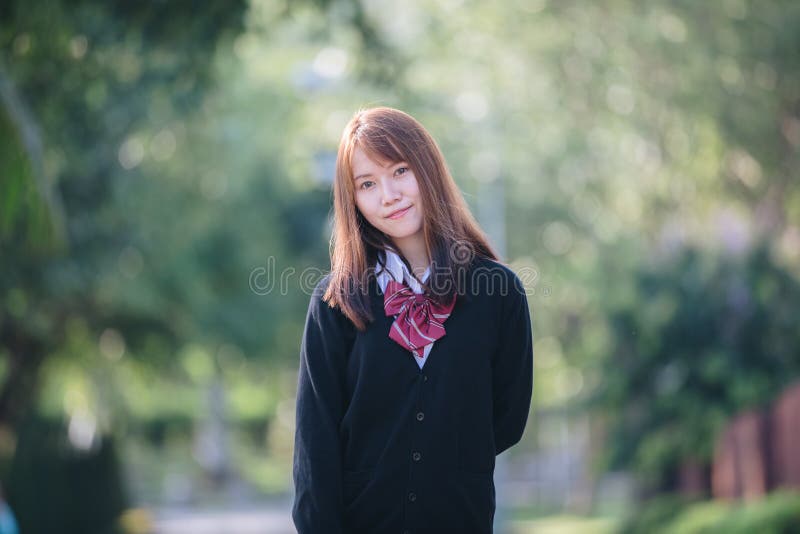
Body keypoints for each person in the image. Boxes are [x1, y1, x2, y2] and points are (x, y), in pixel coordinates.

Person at [292, 107, 533, 534]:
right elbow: (316, 447)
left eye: (400, 171)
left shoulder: (498, 293)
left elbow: (505, 420)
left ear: (428, 168)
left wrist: (449, 458)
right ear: (354, 201)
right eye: (367, 184)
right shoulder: (337, 302)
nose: (388, 195)